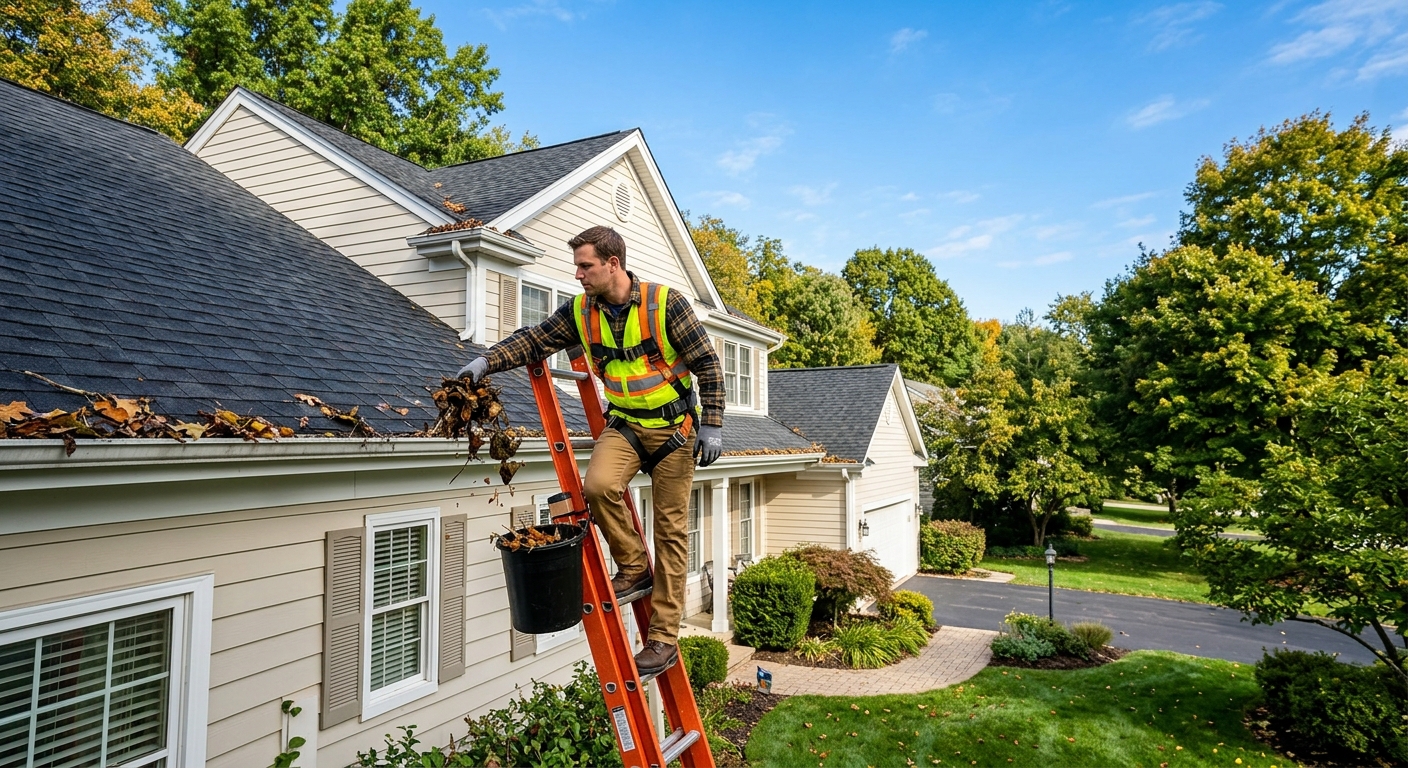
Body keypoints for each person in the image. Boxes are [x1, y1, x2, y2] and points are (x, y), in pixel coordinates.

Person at [457, 225, 724, 677]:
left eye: (585, 266)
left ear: (612, 264)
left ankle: (662, 639)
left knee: (671, 533)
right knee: (598, 487)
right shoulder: (581, 312)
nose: (578, 274)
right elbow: (535, 339)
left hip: (675, 431)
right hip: (626, 426)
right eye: (577, 266)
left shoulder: (665, 304)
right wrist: (486, 361)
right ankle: (634, 566)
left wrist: (712, 424)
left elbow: (708, 365)